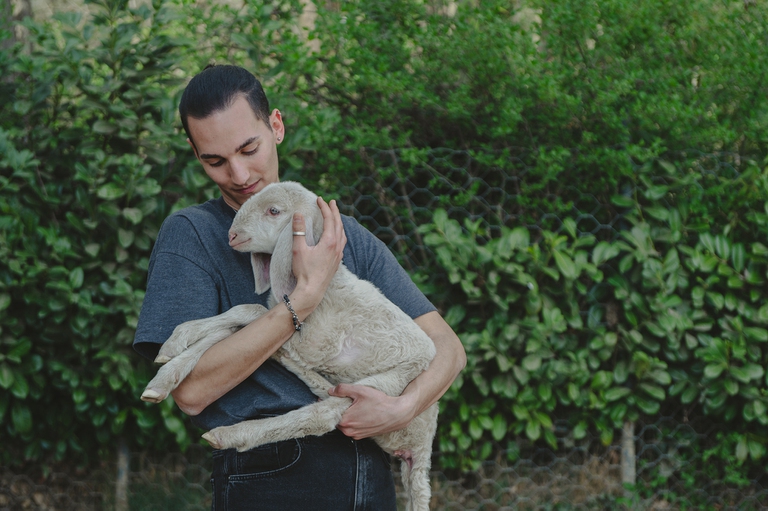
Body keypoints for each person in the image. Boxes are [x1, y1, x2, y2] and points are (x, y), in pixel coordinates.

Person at [133, 64, 466, 510]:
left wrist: (403, 408)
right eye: (215, 161)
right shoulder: (192, 234)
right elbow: (192, 393)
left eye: (249, 148)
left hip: (370, 473)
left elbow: (448, 347)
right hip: (270, 478)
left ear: (276, 125)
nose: (239, 174)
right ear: (195, 154)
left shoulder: (343, 232)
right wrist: (302, 299)